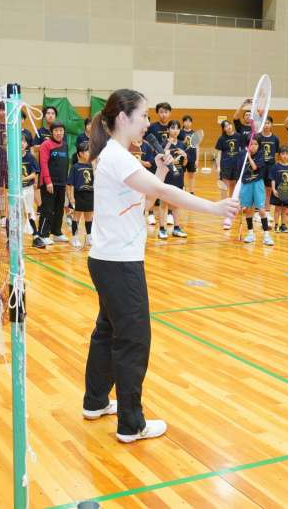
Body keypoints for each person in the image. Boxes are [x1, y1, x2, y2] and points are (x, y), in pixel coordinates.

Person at [82, 88, 238, 443]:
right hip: (120, 263)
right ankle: (131, 424)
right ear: (123, 118)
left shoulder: (115, 156)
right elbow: (165, 195)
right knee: (133, 340)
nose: (147, 123)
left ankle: (95, 401)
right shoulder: (118, 157)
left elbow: (143, 203)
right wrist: (214, 208)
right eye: (143, 116)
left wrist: (162, 171)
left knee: (107, 331)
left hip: (107, 259)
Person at [34, 121, 69, 248]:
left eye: (61, 130)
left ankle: (56, 232)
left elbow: (66, 164)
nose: (59, 133)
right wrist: (48, 181)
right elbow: (43, 164)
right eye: (56, 130)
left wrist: (66, 181)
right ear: (51, 132)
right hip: (49, 183)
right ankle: (43, 234)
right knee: (47, 209)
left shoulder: (65, 145)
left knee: (59, 209)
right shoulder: (46, 145)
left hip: (61, 183)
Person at [239, 137, 274, 245]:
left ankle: (266, 236)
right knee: (248, 210)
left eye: (256, 144)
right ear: (247, 146)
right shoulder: (242, 155)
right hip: (246, 184)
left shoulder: (260, 155)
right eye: (251, 144)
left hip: (257, 184)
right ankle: (250, 234)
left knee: (262, 211)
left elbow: (254, 167)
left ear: (259, 146)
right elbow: (239, 170)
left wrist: (249, 156)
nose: (253, 146)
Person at [159, 120, 188, 238]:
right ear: (168, 130)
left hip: (178, 177)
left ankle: (176, 228)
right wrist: (168, 144)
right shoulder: (163, 144)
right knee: (164, 204)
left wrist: (185, 155)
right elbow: (161, 159)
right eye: (172, 128)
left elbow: (184, 163)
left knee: (176, 204)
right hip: (166, 177)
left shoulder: (182, 144)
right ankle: (162, 229)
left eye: (177, 128)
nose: (175, 130)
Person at [214, 120, 244, 229]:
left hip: (236, 164)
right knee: (224, 186)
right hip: (225, 164)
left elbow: (242, 150)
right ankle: (223, 205)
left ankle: (231, 206)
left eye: (229, 125)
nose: (228, 127)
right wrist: (218, 166)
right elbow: (218, 153)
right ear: (224, 129)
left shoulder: (238, 136)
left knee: (233, 185)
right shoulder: (222, 138)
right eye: (226, 126)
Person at [66, 142, 94, 248]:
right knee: (76, 216)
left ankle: (89, 237)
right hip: (79, 194)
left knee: (89, 217)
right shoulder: (75, 167)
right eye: (88, 151)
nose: (90, 153)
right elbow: (69, 184)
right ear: (81, 153)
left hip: (90, 193)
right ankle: (75, 237)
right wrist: (71, 197)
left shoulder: (92, 166)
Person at [269, 146, 288, 233]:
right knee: (277, 209)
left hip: (287, 192)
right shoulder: (275, 167)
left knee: (284, 210)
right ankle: (276, 225)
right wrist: (274, 190)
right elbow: (273, 179)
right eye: (283, 154)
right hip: (278, 193)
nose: (285, 156)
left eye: (287, 154)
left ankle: (283, 225)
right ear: (279, 155)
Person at [256, 116, 280, 219]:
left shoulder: (275, 138)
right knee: (259, 189)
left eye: (268, 123)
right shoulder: (258, 137)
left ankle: (267, 211)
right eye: (265, 123)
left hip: (271, 167)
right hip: (260, 166)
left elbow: (277, 154)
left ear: (271, 125)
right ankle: (257, 211)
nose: (266, 125)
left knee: (269, 189)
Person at [21, 135, 39, 236]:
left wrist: (23, 179)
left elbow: (34, 174)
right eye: (19, 141)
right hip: (16, 190)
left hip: (28, 188)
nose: (21, 144)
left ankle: (35, 234)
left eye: (23, 141)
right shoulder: (13, 157)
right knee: (15, 212)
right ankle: (11, 238)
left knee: (29, 209)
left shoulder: (30, 157)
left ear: (27, 144)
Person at [180, 115, 199, 195]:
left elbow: (197, 147)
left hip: (192, 158)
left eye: (189, 121)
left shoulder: (194, 133)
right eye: (186, 121)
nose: (187, 123)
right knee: (181, 175)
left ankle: (191, 192)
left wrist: (197, 160)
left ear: (191, 123)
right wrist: (183, 142)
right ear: (183, 122)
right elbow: (177, 144)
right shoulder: (180, 132)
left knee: (191, 175)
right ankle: (181, 190)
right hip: (182, 157)